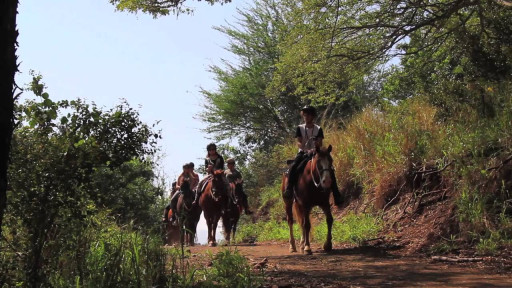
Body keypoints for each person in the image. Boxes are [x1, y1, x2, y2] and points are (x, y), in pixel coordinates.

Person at [283, 105, 343, 207]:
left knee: (330, 169)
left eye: (308, 115)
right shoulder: (300, 128)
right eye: (304, 115)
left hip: (316, 152)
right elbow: (299, 142)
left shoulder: (318, 129)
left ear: (312, 116)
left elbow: (320, 142)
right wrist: (305, 149)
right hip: (303, 152)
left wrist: (315, 148)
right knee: (294, 166)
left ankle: (336, 194)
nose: (306, 117)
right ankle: (289, 189)